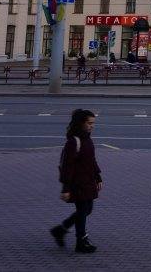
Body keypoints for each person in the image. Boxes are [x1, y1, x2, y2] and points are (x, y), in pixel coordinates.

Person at [50, 109, 102, 254]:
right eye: (89, 123)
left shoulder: (87, 139)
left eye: (93, 123)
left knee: (87, 209)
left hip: (88, 181)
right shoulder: (74, 142)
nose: (92, 126)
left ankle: (60, 230)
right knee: (83, 210)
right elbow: (67, 166)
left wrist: (98, 176)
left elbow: (92, 160)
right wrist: (65, 188)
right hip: (77, 183)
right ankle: (81, 241)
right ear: (81, 124)